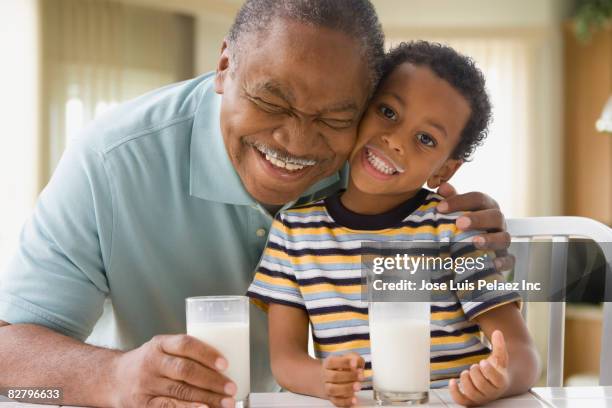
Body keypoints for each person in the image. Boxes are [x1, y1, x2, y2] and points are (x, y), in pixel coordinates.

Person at [0, 2, 513, 408]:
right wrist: (110, 378)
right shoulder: (110, 163)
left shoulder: (369, 157)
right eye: (272, 100)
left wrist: (474, 235)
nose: (296, 141)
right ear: (224, 65)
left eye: (335, 117)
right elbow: (8, 368)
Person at [247, 41, 540, 407]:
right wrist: (323, 380)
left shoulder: (452, 230)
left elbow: (523, 353)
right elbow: (285, 360)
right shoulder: (293, 232)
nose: (396, 140)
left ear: (444, 170)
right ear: (359, 109)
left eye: (425, 139)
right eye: (387, 111)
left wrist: (501, 377)